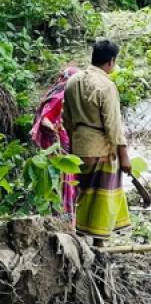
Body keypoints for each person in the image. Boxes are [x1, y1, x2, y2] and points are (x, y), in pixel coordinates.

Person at [62, 40, 131, 245]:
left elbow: (66, 119)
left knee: (84, 193)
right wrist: (124, 155)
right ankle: (99, 243)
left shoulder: (72, 81)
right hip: (100, 146)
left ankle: (81, 237)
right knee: (102, 195)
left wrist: (75, 143)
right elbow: (113, 124)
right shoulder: (106, 86)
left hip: (80, 145)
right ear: (111, 62)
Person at [29, 65, 81, 222]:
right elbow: (45, 119)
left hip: (58, 149)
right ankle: (64, 222)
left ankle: (63, 221)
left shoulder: (56, 92)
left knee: (63, 184)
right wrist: (56, 132)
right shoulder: (60, 94)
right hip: (58, 151)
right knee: (64, 184)